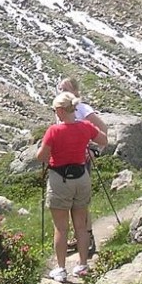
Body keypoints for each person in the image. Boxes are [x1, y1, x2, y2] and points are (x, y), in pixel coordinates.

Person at [36, 91, 108, 282]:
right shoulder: (85, 126)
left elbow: (41, 157)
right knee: (81, 225)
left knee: (61, 227)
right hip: (82, 177)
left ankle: (60, 269)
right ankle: (82, 265)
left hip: (60, 179)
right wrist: (90, 153)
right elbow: (103, 140)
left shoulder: (54, 131)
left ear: (60, 110)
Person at [56, 77, 108, 255]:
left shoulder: (83, 109)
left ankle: (88, 238)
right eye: (59, 89)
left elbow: (102, 129)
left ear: (75, 91)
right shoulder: (61, 110)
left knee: (80, 202)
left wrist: (95, 151)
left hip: (80, 160)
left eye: (65, 89)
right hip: (65, 162)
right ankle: (80, 238)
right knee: (69, 202)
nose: (61, 91)